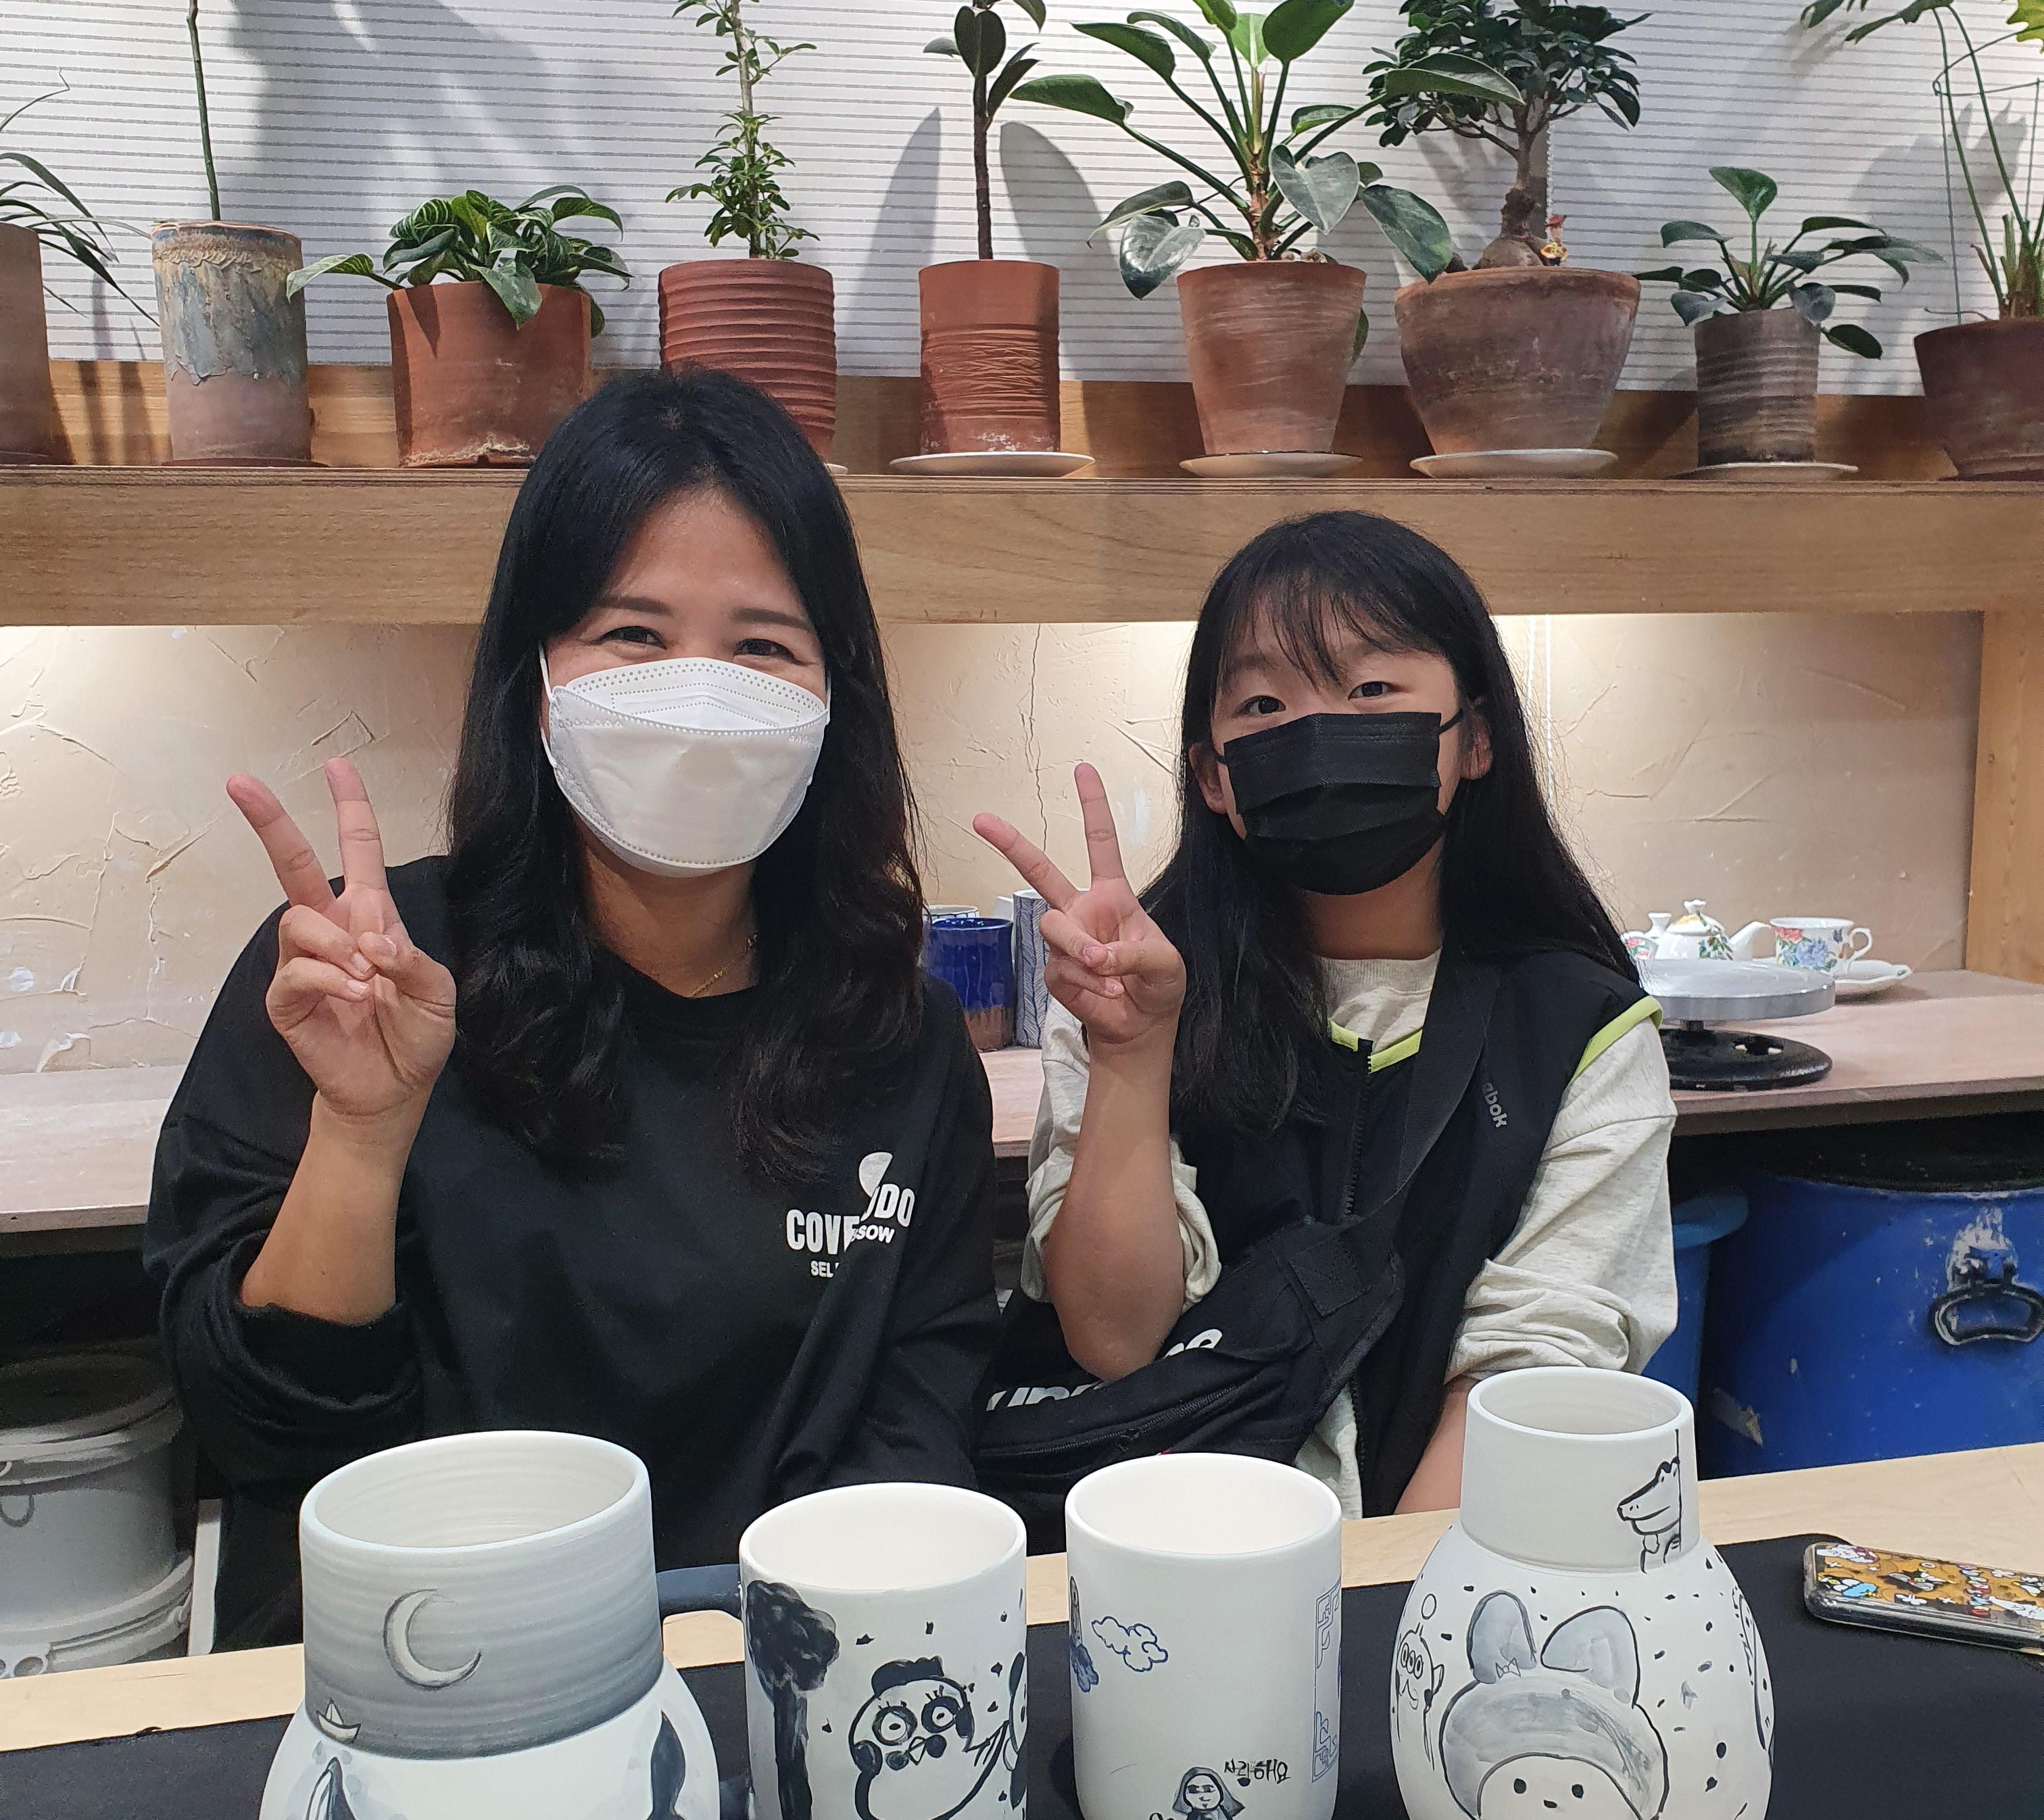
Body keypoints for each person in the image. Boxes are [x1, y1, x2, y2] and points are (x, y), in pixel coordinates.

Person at [147, 369, 997, 1642]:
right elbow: (264, 1433)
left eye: (763, 646)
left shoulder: (901, 1039)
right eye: (634, 634)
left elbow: (919, 1432)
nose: (698, 693)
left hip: (777, 1677)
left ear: (835, 698)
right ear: (538, 675)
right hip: (427, 1674)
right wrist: (362, 1139)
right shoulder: (364, 977)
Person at [975, 509, 1674, 1519]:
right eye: (1264, 703)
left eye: (1372, 689)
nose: (1317, 733)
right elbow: (1115, 1338)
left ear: (1475, 738)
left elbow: (1526, 1382)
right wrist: (1131, 1052)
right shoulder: (1131, 984)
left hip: (1428, 1567)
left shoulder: (1581, 1031)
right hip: (1158, 1546)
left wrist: (1386, 1592)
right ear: (1214, 777)